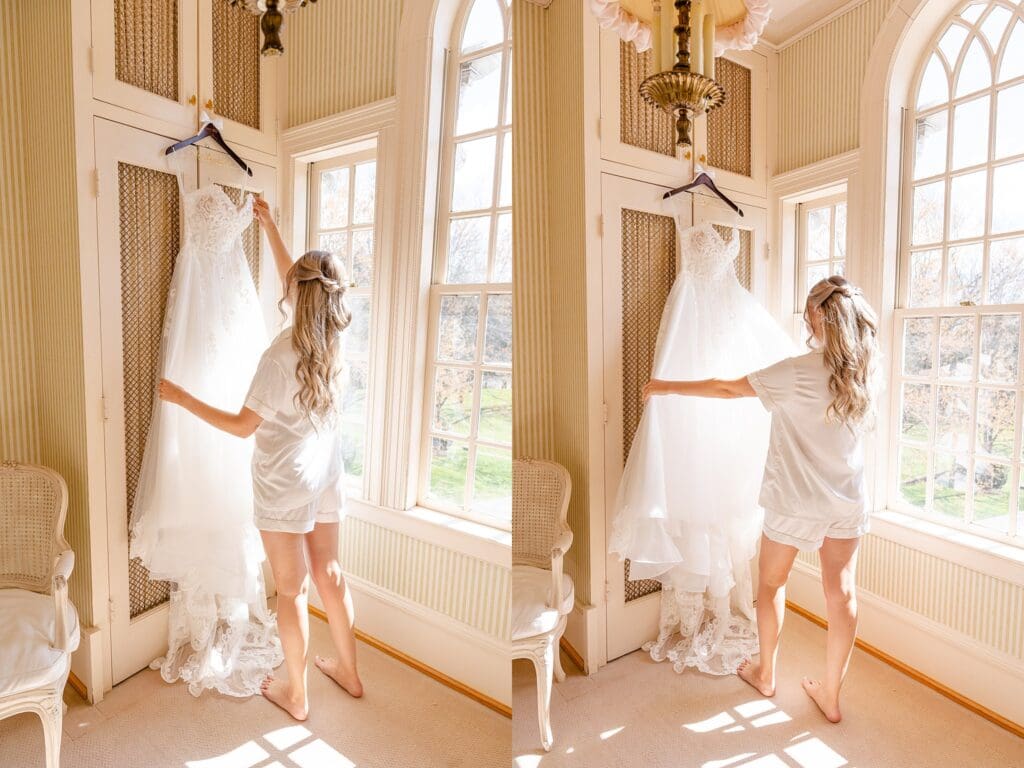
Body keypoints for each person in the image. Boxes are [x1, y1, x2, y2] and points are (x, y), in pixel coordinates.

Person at [157, 198, 363, 720]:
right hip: (325, 474)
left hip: (283, 483)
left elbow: (241, 427)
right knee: (330, 573)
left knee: (291, 591)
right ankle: (350, 671)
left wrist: (182, 398)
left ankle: (296, 694)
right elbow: (299, 284)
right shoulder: (334, 340)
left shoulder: (278, 358)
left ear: (298, 293)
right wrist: (270, 228)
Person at [643, 275, 880, 723]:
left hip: (795, 501)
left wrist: (665, 385)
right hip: (847, 497)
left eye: (808, 313)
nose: (805, 320)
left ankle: (766, 673)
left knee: (770, 584)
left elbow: (725, 387)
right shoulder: (865, 368)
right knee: (842, 594)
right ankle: (831, 695)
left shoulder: (796, 370)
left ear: (819, 316)